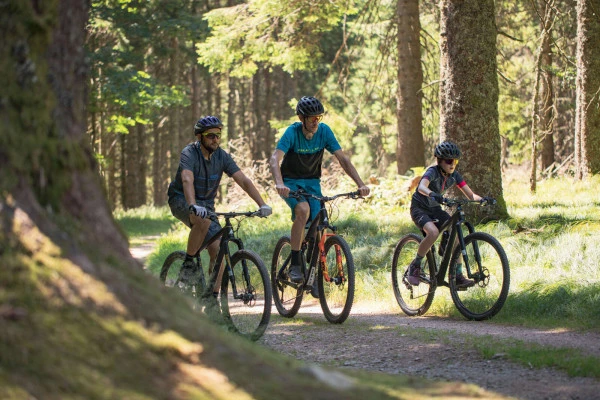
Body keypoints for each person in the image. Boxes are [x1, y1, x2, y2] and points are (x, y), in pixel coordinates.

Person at [269, 96, 370, 290]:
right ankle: (296, 264)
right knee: (303, 210)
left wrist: (360, 184)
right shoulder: (292, 132)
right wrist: (279, 183)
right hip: (290, 183)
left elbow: (343, 159)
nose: (316, 121)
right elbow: (275, 159)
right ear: (301, 118)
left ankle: (312, 272)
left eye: (319, 117)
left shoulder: (324, 132)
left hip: (313, 184)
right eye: (312, 118)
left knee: (318, 225)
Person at [168, 116, 272, 291]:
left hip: (207, 206)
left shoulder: (222, 156)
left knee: (218, 251)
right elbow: (187, 179)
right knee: (203, 220)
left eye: (218, 135)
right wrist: (192, 205)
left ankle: (212, 299)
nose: (215, 139)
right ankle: (188, 264)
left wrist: (262, 204)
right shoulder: (189, 153)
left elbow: (243, 181)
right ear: (200, 137)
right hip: (182, 199)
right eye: (211, 135)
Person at [408, 141, 487, 287]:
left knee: (456, 234)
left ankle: (457, 275)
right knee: (433, 232)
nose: (453, 164)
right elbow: (421, 187)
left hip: (435, 208)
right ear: (440, 161)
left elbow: (470, 195)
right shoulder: (432, 172)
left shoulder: (455, 176)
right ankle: (415, 265)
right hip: (420, 208)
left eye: (455, 161)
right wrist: (433, 194)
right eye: (449, 161)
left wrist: (482, 200)